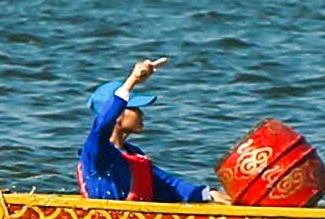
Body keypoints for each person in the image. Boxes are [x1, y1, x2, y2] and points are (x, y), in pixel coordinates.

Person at [78, 56, 229, 204]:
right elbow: (103, 124)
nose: (141, 113)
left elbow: (169, 186)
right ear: (118, 114)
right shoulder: (95, 151)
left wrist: (208, 193)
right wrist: (133, 80)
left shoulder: (133, 153)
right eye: (135, 108)